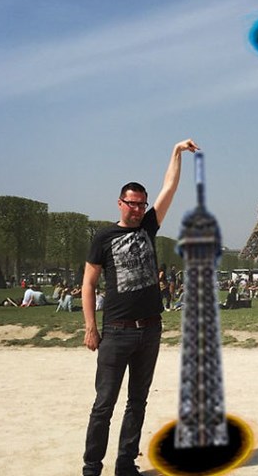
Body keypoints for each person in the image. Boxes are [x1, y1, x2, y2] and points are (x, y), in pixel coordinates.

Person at [81, 139, 198, 476]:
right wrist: (91, 327)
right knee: (104, 404)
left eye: (141, 204)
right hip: (116, 332)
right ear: (120, 203)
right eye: (131, 203)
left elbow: (169, 187)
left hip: (150, 329)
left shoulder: (149, 226)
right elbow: (88, 284)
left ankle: (125, 463)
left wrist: (176, 152)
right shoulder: (103, 238)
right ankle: (92, 467)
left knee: (137, 402)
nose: (136, 209)